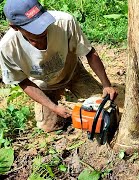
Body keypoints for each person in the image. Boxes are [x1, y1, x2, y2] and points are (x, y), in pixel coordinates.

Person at [0, 0, 118, 132]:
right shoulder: (8, 47)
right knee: (48, 126)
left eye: (42, 22)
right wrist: (53, 107)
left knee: (101, 108)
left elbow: (89, 52)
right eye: (34, 28)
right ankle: (55, 98)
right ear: (15, 27)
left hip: (73, 72)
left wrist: (106, 84)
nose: (42, 30)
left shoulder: (64, 22)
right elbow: (22, 81)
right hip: (43, 84)